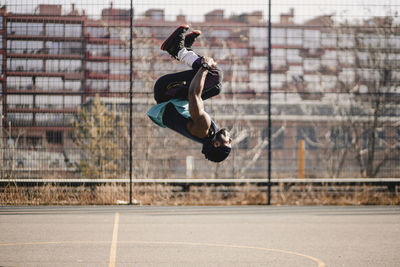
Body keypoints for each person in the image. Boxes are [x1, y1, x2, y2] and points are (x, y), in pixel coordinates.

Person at [147, 25, 232, 163]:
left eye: (228, 142)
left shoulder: (203, 128)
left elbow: (194, 94)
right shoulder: (207, 134)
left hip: (165, 91)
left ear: (216, 144)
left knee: (214, 75)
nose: (230, 139)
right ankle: (185, 50)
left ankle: (178, 50)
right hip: (172, 97)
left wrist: (204, 66)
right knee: (216, 88)